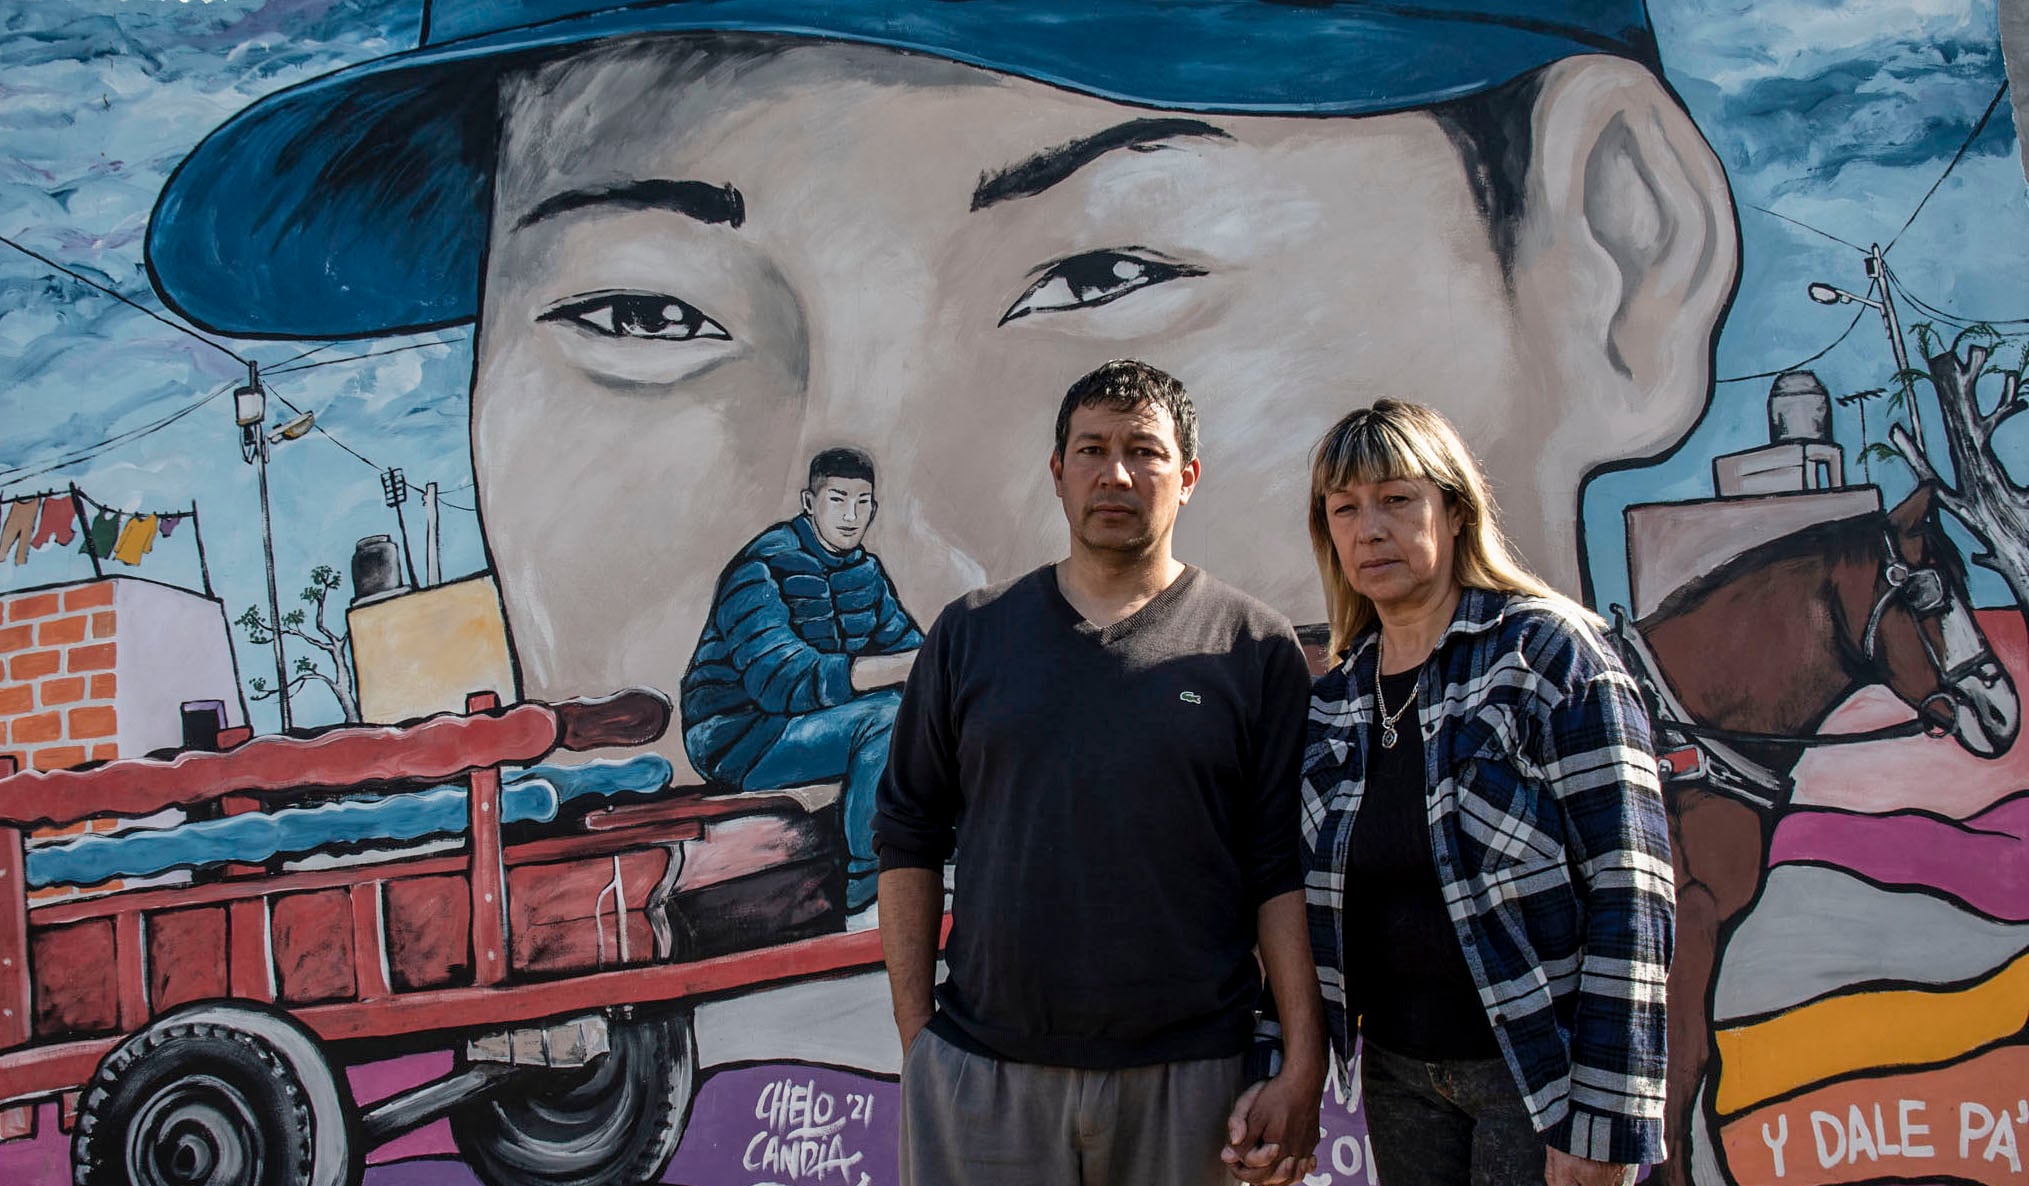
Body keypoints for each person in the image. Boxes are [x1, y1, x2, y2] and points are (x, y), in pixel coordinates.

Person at [143, 1, 1739, 767]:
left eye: (1104, 280)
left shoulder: (1558, 742)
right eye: (641, 314)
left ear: (1616, 260)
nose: (914, 525)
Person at [873, 360, 1326, 1186]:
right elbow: (907, 835)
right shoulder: (974, 635)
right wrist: (921, 1044)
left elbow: (1278, 869)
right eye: (1093, 451)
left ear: (1190, 475)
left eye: (1143, 452)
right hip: (986, 1073)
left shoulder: (1249, 648)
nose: (1116, 474)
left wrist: (1302, 1057)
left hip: (1186, 1077)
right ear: (1056, 470)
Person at [1300, 399, 1674, 1186]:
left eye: (1395, 498)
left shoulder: (1550, 654)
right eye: (1344, 508)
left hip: (1536, 1077)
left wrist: (1606, 1115)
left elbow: (1632, 893)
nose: (1370, 528)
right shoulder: (1340, 700)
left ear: (1454, 510)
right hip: (1400, 1079)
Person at [680, 447, 921, 920]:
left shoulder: (866, 575)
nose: (851, 517)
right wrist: (906, 669)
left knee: (931, 711)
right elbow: (780, 681)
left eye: (863, 502)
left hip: (812, 726)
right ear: (810, 503)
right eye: (837, 500)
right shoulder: (760, 569)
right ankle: (868, 889)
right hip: (740, 737)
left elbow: (911, 652)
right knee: (888, 718)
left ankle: (942, 856)